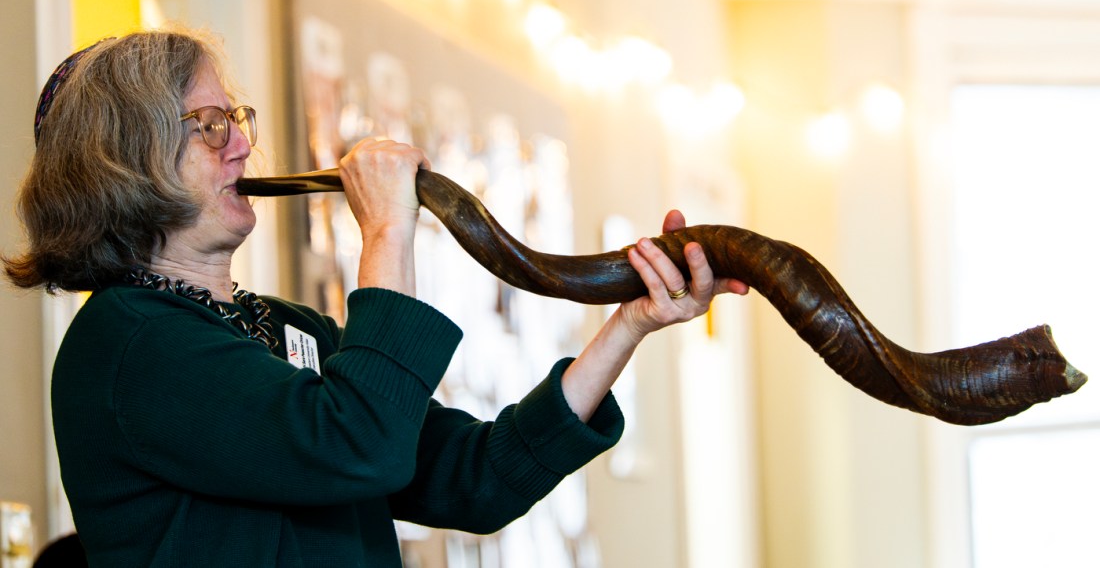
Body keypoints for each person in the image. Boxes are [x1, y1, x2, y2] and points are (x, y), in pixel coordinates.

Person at [5, 28, 747, 567]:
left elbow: (474, 479)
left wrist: (629, 325)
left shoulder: (276, 328)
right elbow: (353, 444)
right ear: (122, 162)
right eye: (208, 127)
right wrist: (387, 233)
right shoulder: (130, 343)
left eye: (237, 121)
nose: (241, 145)